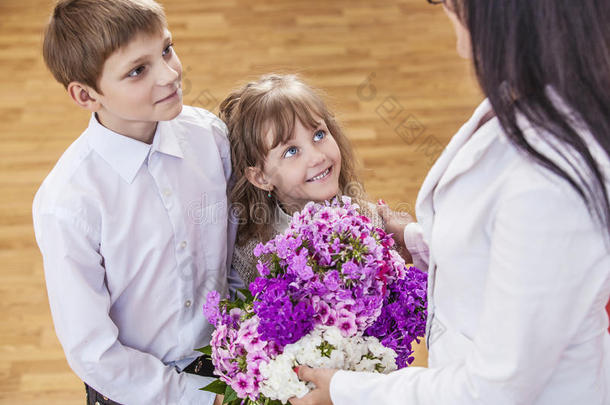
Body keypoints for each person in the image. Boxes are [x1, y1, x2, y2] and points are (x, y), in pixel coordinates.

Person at [290, 0, 610, 404]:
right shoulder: (528, 93)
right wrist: (414, 240)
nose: (443, 8)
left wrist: (344, 390)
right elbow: (507, 243)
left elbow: (495, 389)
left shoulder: (553, 185)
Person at [32, 1, 240, 403]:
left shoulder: (210, 138)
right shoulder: (68, 204)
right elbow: (93, 351)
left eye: (166, 49)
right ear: (85, 94)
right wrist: (199, 399)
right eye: (137, 70)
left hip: (228, 365)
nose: (169, 74)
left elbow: (234, 254)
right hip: (132, 391)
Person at [218, 74, 409, 286]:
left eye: (319, 135)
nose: (317, 157)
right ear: (261, 177)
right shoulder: (251, 255)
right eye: (291, 151)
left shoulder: (373, 225)